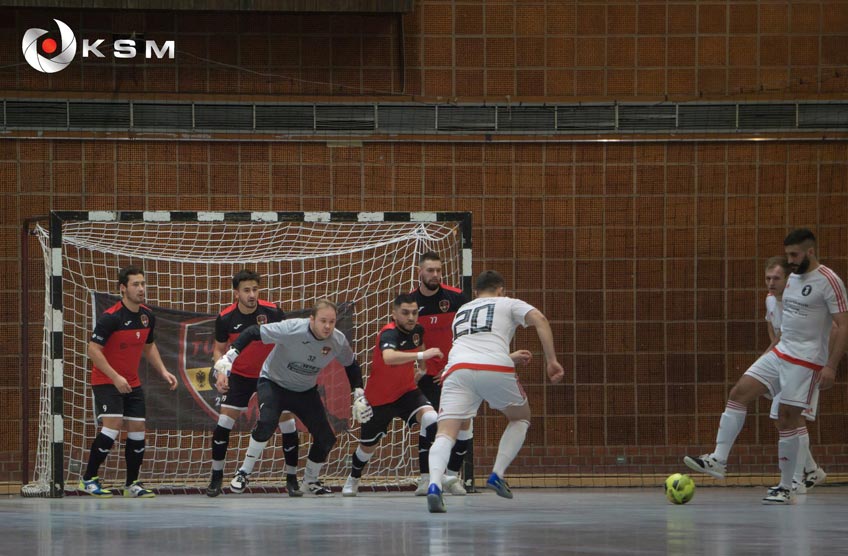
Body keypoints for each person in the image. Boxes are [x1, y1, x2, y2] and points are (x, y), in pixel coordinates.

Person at [684, 229, 847, 504]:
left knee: (785, 418)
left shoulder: (828, 281)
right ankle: (718, 460)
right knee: (739, 393)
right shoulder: (791, 278)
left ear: (810, 251)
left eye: (794, 255)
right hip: (782, 352)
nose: (790, 260)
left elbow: (842, 325)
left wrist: (831, 365)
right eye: (787, 255)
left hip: (807, 361)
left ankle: (786, 486)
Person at [426, 270, 564, 513]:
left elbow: (474, 348)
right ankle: (497, 474)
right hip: (494, 367)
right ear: (500, 289)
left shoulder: (462, 310)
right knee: (520, 417)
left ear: (476, 292)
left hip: (457, 369)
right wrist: (551, 361)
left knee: (445, 433)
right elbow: (540, 319)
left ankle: (434, 486)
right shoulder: (508, 302)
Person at [215, 299, 371, 496]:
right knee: (267, 424)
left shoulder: (337, 340)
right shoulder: (292, 329)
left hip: (305, 391)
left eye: (332, 322)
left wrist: (358, 393)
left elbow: (351, 365)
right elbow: (253, 332)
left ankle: (310, 481)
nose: (328, 326)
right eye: (323, 321)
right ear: (311, 319)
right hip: (273, 383)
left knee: (326, 439)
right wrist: (230, 355)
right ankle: (243, 472)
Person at [79, 266, 178, 498]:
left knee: (138, 429)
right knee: (112, 425)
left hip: (131, 382)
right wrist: (115, 377)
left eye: (143, 284)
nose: (141, 288)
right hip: (106, 380)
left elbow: (149, 346)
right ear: (123, 288)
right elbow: (92, 350)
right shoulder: (111, 317)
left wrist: (163, 371)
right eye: (136, 284)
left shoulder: (147, 316)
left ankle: (132, 484)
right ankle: (88, 479)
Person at [206, 270, 300, 497]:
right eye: (246, 290)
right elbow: (219, 348)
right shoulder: (226, 317)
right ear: (236, 293)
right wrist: (220, 372)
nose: (252, 295)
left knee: (287, 421)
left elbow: (288, 339)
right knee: (225, 421)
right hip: (239, 375)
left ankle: (292, 478)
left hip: (271, 375)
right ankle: (216, 476)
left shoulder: (273, 311)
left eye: (255, 289)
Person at [341, 294, 443, 497]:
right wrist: (423, 356)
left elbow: (420, 343)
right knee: (366, 449)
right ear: (394, 314)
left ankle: (425, 479)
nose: (411, 317)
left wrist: (421, 368)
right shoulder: (388, 334)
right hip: (379, 399)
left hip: (407, 392)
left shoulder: (417, 330)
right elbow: (389, 358)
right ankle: (353, 478)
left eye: (414, 312)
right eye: (405, 313)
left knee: (432, 419)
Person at [762, 257, 827, 493]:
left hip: (806, 364)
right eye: (768, 278)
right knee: (782, 420)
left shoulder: (800, 301)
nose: (771, 283)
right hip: (784, 362)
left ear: (788, 280)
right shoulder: (770, 301)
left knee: (793, 418)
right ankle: (812, 471)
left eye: (776, 278)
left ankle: (797, 479)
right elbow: (774, 330)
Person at [412, 251, 472, 495]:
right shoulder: (411, 303)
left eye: (438, 270)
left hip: (455, 373)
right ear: (420, 272)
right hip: (427, 375)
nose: (435, 275)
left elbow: (470, 334)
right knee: (430, 423)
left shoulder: (457, 298)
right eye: (430, 270)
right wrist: (418, 365)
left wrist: (453, 367)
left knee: (463, 424)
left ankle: (451, 477)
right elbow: (410, 337)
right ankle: (426, 478)